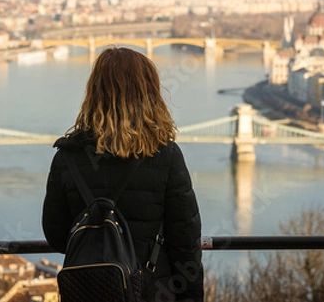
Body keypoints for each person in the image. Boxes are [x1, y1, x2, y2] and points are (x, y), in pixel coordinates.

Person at [42, 46, 204, 302]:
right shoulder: (166, 156)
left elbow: (57, 236)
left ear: (94, 93)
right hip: (153, 292)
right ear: (149, 94)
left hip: (89, 292)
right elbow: (186, 245)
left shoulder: (67, 157)